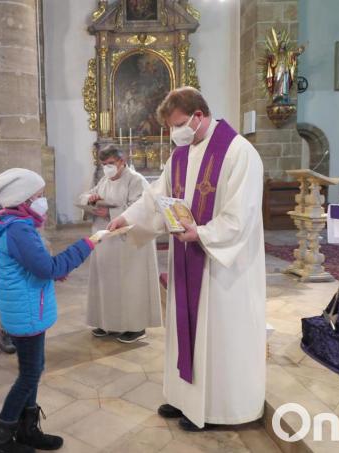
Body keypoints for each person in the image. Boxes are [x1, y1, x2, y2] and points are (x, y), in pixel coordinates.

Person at [108, 87, 266, 431]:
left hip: (220, 267)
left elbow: (242, 215)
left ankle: (212, 410)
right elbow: (155, 197)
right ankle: (183, 399)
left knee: (215, 336)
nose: (173, 133)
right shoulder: (180, 155)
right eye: (170, 127)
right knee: (184, 331)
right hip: (185, 258)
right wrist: (128, 219)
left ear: (198, 115)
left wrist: (204, 234)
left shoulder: (239, 153)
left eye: (178, 124)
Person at [0, 168, 96, 453]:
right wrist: (88, 244)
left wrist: (50, 270)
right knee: (29, 374)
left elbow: (38, 265)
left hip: (24, 305)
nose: (43, 200)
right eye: (39, 196)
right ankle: (1, 441)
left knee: (33, 369)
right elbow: (48, 267)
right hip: (26, 309)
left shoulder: (7, 220)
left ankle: (27, 429)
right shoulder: (18, 228)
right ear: (22, 199)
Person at [78, 146, 161, 343]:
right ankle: (108, 323)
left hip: (129, 243)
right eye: (104, 164)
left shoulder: (136, 180)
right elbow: (85, 196)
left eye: (111, 164)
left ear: (122, 162)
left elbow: (142, 209)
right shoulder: (105, 180)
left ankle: (135, 327)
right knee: (107, 283)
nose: (107, 168)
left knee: (130, 285)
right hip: (106, 241)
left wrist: (110, 214)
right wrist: (91, 201)